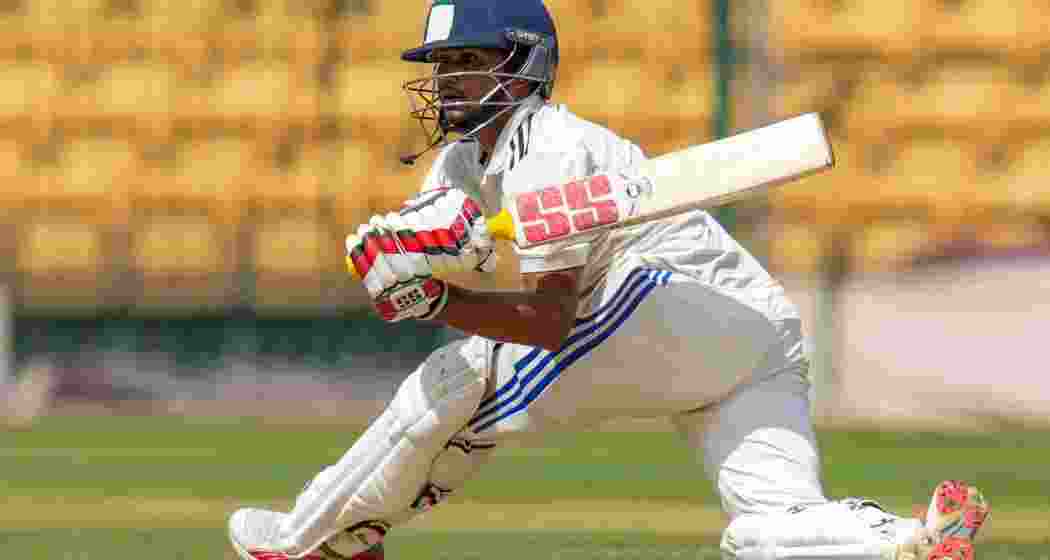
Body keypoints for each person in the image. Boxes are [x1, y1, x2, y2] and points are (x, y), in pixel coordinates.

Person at [227, 1, 989, 559]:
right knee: (764, 531)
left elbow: (550, 324)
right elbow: (437, 233)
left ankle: (314, 540)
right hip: (756, 338)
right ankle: (909, 538)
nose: (447, 82)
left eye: (466, 62)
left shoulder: (553, 145)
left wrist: (440, 301)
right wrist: (403, 260)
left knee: (465, 378)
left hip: (676, 301)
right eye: (442, 67)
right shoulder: (462, 162)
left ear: (522, 63)